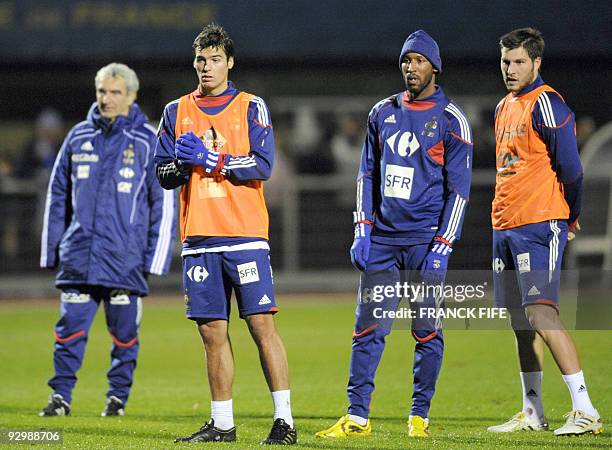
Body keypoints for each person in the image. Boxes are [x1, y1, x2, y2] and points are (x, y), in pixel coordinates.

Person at [316, 30, 473, 439]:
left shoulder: (452, 120)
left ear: (434, 67)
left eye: (419, 61)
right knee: (368, 329)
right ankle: (357, 417)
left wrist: (442, 246)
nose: (411, 67)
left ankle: (418, 417)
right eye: (406, 60)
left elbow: (459, 192)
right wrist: (362, 228)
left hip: (424, 245)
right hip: (383, 243)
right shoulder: (381, 113)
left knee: (426, 330)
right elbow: (366, 173)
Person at [154, 23, 297, 445]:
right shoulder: (174, 111)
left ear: (229, 63)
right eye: (201, 59)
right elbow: (162, 173)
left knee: (260, 326)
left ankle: (284, 421)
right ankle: (222, 424)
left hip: (245, 235)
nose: (207, 67)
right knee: (211, 333)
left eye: (215, 59)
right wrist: (180, 166)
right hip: (198, 238)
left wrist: (209, 158)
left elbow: (263, 165)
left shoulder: (252, 106)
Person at [39, 63, 176, 417]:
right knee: (68, 332)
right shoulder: (78, 136)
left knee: (124, 337)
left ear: (132, 96)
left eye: (115, 92)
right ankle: (60, 398)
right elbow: (57, 194)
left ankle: (117, 398)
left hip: (124, 261)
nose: (107, 98)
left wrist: (155, 259)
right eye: (102, 91)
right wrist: (52, 248)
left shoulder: (149, 140)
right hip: (79, 257)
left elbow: (163, 201)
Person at [487, 27, 602, 436]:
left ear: (536, 62)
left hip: (538, 222)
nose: (511, 69)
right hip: (505, 223)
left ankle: (585, 408)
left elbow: (571, 169)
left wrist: (569, 216)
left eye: (519, 61)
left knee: (541, 312)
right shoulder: (503, 106)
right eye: (505, 61)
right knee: (520, 320)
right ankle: (532, 411)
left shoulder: (547, 103)